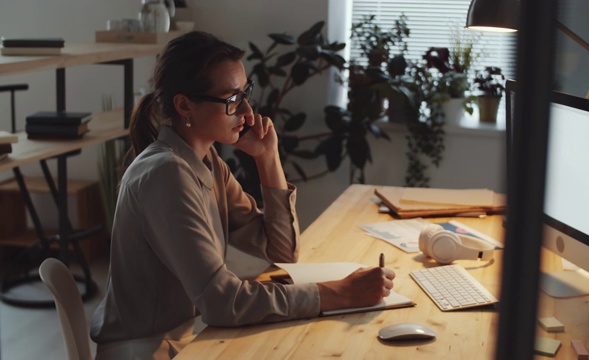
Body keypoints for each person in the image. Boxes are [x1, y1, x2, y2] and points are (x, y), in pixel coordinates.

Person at [90, 31, 396, 359]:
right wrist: (338, 294)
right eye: (232, 98)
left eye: (245, 93)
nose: (248, 111)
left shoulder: (206, 162)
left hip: (182, 341)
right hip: (147, 352)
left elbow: (281, 250)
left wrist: (268, 158)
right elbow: (222, 302)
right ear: (184, 105)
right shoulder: (167, 174)